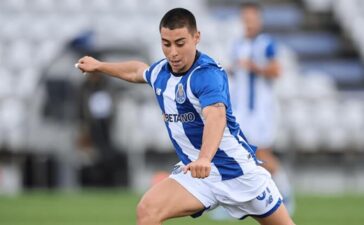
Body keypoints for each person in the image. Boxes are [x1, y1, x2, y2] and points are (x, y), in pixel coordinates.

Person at [75, 8, 295, 225]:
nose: (172, 52)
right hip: (198, 176)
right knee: (147, 210)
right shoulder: (161, 71)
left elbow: (216, 117)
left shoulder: (206, 74)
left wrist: (205, 158)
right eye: (166, 43)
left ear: (196, 37)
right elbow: (137, 71)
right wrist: (100, 66)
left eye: (180, 43)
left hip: (236, 172)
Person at [229, 2, 294, 214]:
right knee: (240, 154)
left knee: (262, 154)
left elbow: (276, 70)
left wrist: (255, 67)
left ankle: (285, 192)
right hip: (242, 111)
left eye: (251, 18)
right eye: (245, 18)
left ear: (259, 20)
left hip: (260, 112)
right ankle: (237, 202)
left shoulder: (266, 44)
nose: (248, 22)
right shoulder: (238, 45)